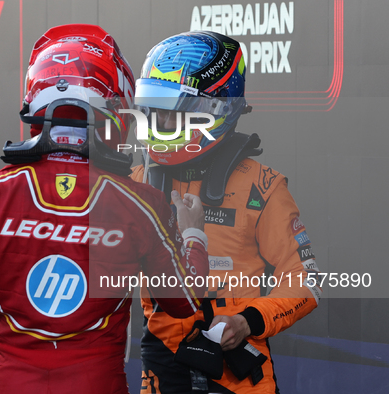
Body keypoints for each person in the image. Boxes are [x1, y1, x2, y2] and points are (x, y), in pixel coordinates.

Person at [0, 24, 209, 394]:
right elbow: (185, 301)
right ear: (115, 105)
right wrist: (194, 233)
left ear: (34, 102)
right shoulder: (142, 204)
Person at [133, 31, 322, 394]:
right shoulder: (136, 182)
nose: (159, 125)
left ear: (214, 109)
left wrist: (248, 321)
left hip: (240, 379)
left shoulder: (263, 187)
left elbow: (306, 283)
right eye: (153, 112)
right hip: (162, 375)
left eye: (170, 113)